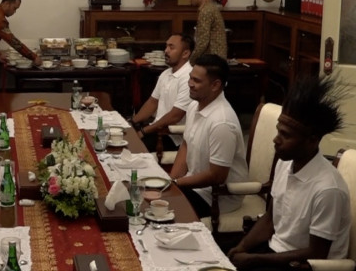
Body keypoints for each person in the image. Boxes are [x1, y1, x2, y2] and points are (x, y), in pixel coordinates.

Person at [228, 75, 351, 271]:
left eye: (285, 135)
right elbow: (270, 219)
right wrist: (242, 247)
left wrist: (254, 259)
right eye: (278, 131)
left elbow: (316, 253)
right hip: (274, 250)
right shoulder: (285, 164)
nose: (276, 139)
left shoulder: (328, 190)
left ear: (312, 140)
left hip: (302, 265)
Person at [170, 54, 248, 218]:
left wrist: (177, 184)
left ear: (215, 85)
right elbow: (186, 145)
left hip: (218, 196)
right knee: (154, 196)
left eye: (196, 81)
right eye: (190, 78)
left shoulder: (222, 122)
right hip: (194, 185)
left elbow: (216, 175)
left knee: (164, 209)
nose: (190, 84)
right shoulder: (194, 106)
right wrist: (170, 181)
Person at [131, 33, 194, 152]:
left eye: (171, 47)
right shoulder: (166, 73)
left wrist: (143, 131)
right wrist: (132, 122)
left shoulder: (189, 77)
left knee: (131, 147)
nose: (166, 51)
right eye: (166, 46)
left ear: (185, 53)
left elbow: (175, 116)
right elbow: (152, 102)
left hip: (172, 136)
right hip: (157, 129)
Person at [188, 0, 227, 64]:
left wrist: (190, 61)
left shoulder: (206, 11)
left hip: (212, 62)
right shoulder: (211, 8)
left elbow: (202, 42)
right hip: (216, 60)